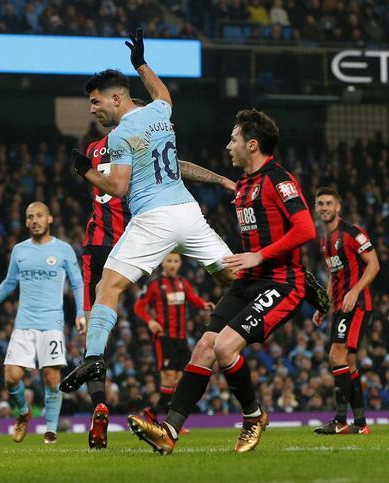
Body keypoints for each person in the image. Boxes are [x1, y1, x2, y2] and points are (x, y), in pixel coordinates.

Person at [61, 29, 237, 450]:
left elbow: (119, 188)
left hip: (153, 219)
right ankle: (289, 286)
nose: (93, 109)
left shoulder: (121, 135)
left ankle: (94, 358)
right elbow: (163, 93)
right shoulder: (160, 112)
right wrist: (142, 64)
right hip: (188, 213)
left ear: (116, 99)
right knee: (235, 277)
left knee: (109, 287)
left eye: (96, 101)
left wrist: (85, 170)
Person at [128, 108, 317, 454]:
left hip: (281, 283)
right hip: (248, 281)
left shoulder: (280, 180)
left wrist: (260, 256)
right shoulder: (245, 183)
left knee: (224, 347)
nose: (228, 145)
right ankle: (169, 430)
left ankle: (253, 417)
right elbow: (180, 168)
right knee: (203, 347)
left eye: (234, 139)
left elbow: (306, 228)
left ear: (253, 144)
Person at [80, 97, 234, 320]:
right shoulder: (136, 140)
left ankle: (92, 353)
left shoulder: (94, 148)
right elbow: (175, 166)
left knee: (98, 305)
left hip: (102, 237)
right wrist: (219, 180)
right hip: (141, 234)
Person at [0, 202, 85, 445]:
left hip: (52, 323)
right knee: (11, 377)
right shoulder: (20, 250)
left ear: (49, 219)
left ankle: (50, 430)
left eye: (40, 216)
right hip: (24, 324)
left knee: (51, 378)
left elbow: (77, 283)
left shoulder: (63, 250)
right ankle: (23, 412)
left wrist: (80, 313)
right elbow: (9, 283)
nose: (35, 220)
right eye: (30, 217)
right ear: (26, 221)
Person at [312, 187, 379, 435]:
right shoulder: (324, 241)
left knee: (335, 356)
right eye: (320, 204)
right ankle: (360, 425)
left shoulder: (352, 232)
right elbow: (334, 275)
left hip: (357, 304)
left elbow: (374, 265)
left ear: (338, 207)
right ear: (316, 208)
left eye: (329, 203)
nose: (325, 208)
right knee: (348, 362)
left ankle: (340, 421)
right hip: (339, 306)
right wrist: (324, 305)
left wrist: (355, 291)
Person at [133, 253, 214, 424]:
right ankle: (170, 421)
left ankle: (154, 413)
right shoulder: (154, 284)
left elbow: (192, 298)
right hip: (164, 338)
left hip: (182, 338)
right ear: (163, 262)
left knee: (180, 381)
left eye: (175, 261)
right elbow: (138, 307)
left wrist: (204, 304)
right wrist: (151, 322)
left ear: (180, 263)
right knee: (168, 379)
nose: (172, 264)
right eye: (169, 261)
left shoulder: (182, 282)